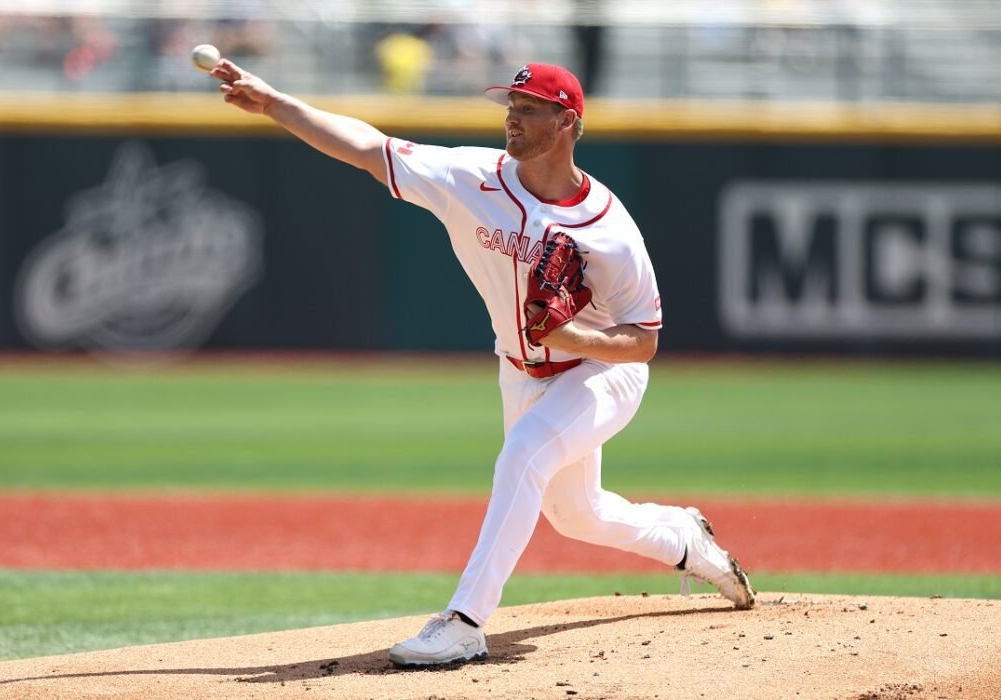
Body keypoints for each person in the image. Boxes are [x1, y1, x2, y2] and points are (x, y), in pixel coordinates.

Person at [210, 59, 756, 667]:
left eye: (528, 109)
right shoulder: (471, 177)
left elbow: (645, 340)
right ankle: (684, 539)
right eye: (510, 106)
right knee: (579, 515)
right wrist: (277, 103)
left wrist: (573, 337)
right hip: (520, 371)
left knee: (524, 453)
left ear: (567, 121)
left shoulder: (609, 228)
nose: (511, 119)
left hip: (602, 374)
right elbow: (368, 148)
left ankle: (466, 622)